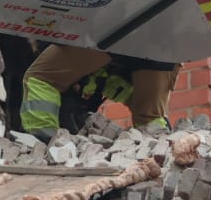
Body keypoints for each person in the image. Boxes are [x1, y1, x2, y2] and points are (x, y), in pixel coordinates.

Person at [18, 44, 177, 140]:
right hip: (164, 51)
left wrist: (47, 143)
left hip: (111, 28)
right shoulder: (115, 84)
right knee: (150, 117)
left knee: (40, 78)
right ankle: (160, 147)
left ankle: (44, 139)